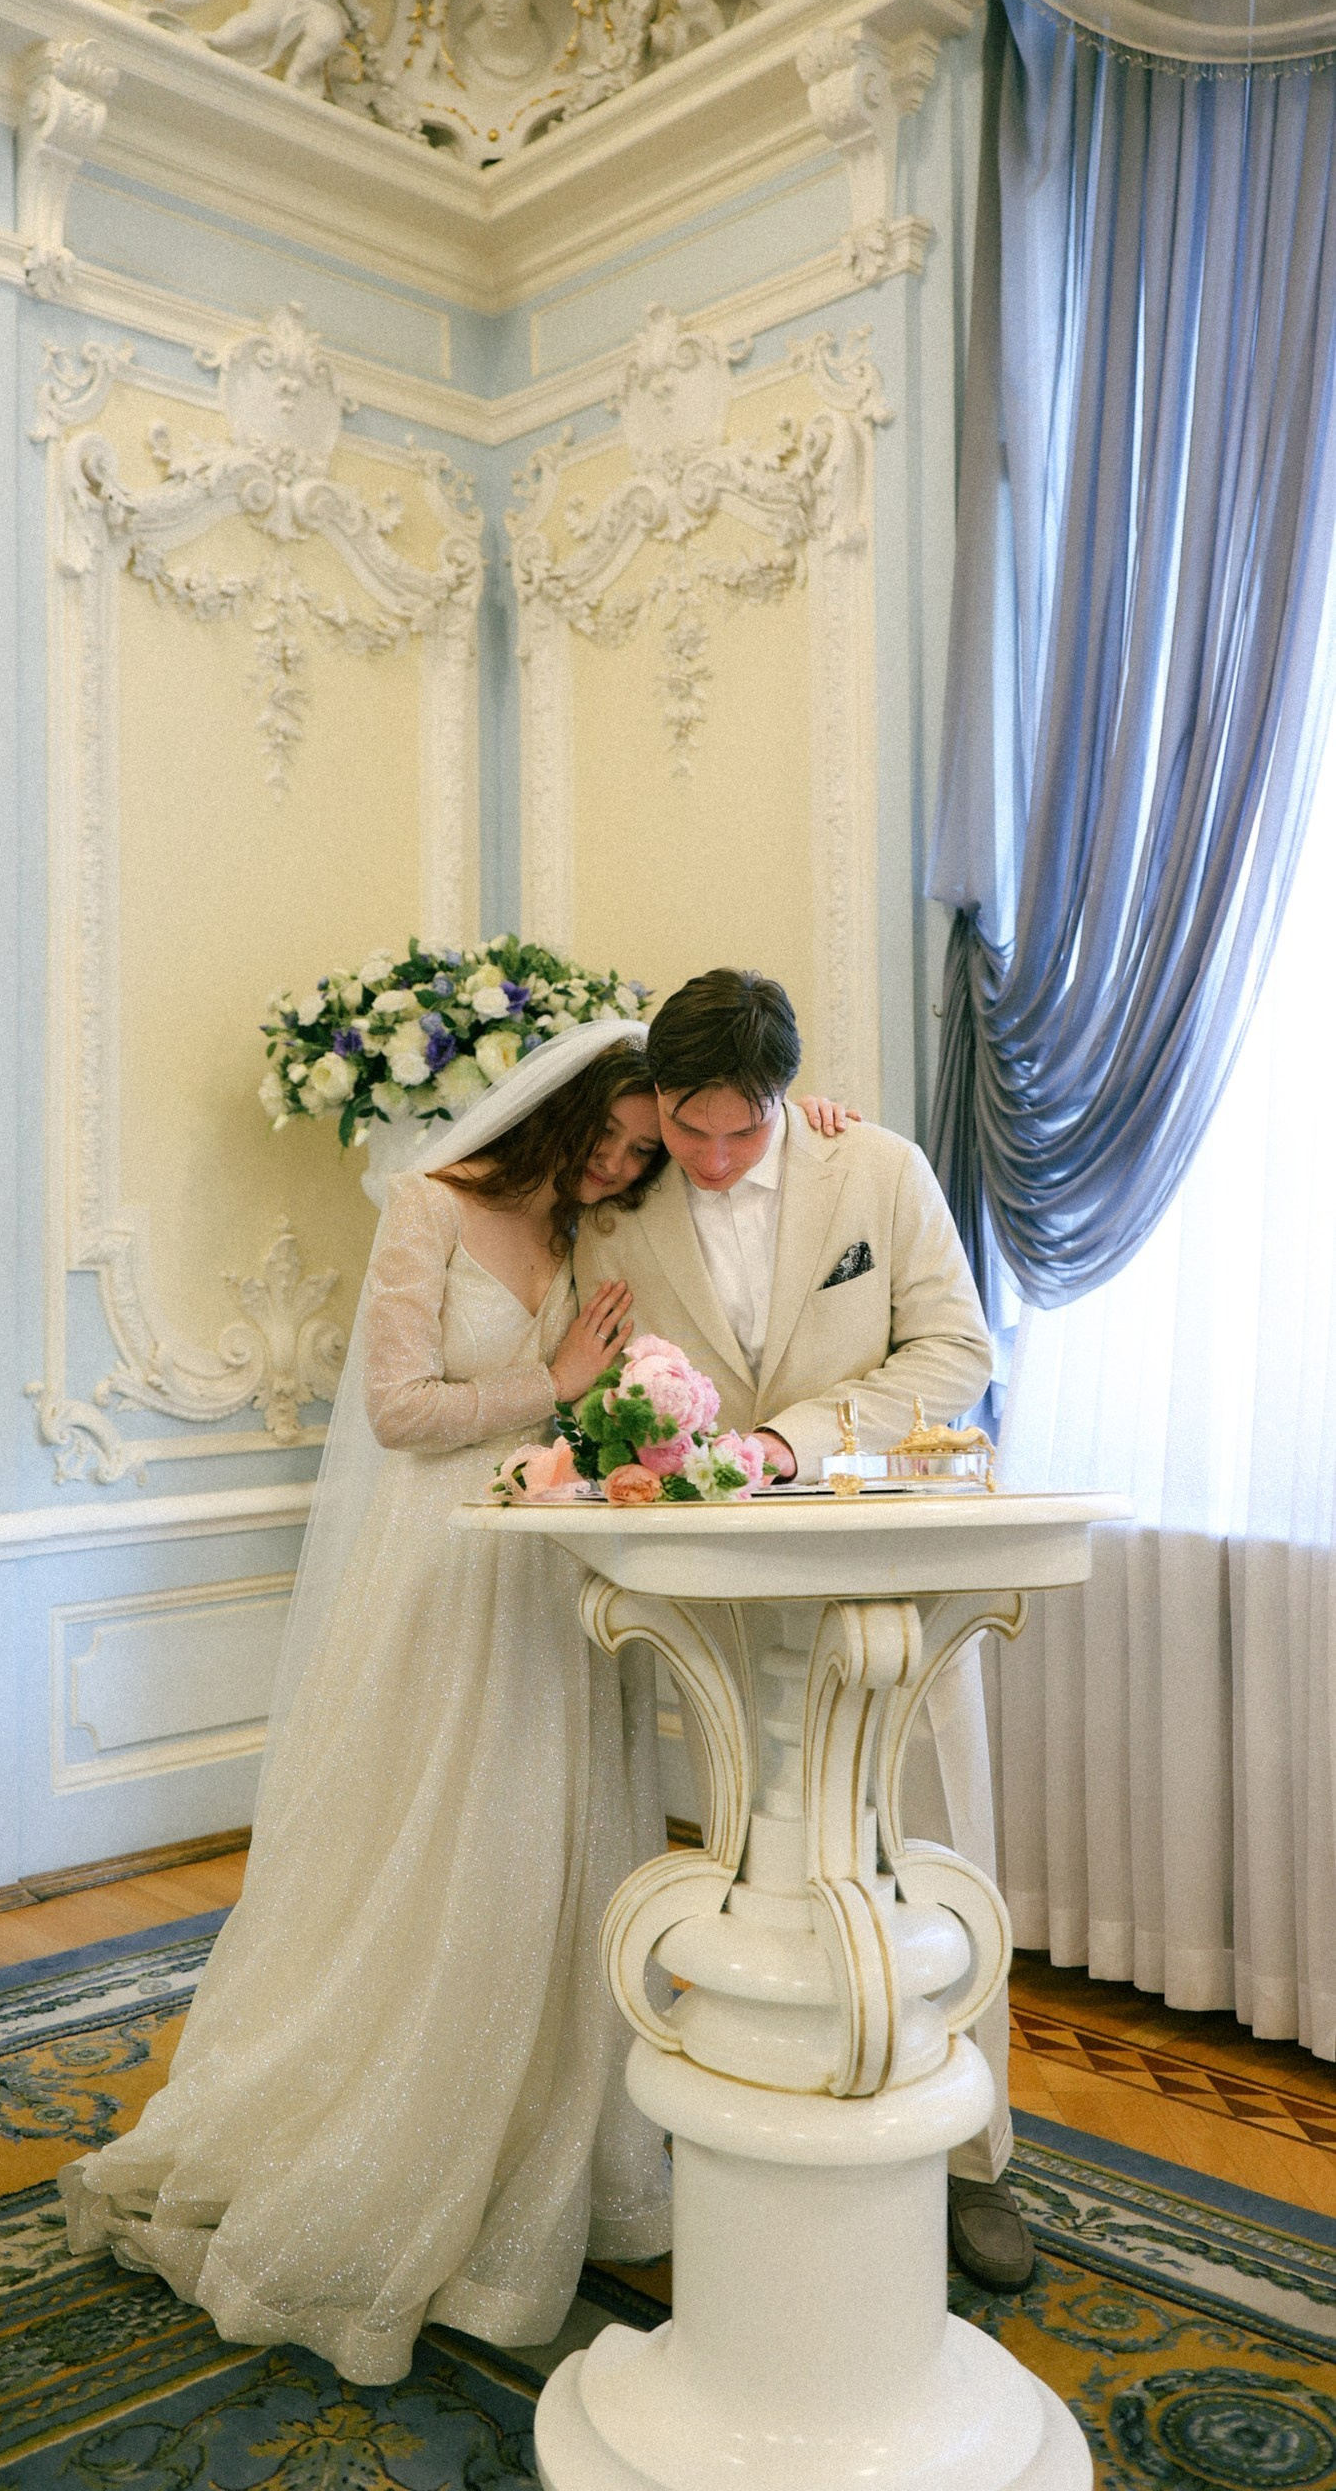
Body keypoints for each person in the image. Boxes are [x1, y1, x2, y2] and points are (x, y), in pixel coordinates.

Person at [61, 1018, 853, 2383]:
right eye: (604, 1143)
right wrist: (542, 1385)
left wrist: (814, 1127)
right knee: (444, 1851)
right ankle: (396, 2137)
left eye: (638, 1153)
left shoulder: (596, 1235)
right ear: (550, 1117)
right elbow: (393, 1411)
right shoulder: (429, 1208)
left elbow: (740, 1180)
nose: (617, 1170)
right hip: (440, 1573)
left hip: (553, 1572)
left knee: (554, 1859)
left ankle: (548, 2153)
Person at [573, 968, 1032, 2292]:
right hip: (721, 1592)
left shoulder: (874, 1169)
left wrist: (794, 1440)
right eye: (689, 1128)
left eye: (740, 1130)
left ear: (783, 1095)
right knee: (748, 1864)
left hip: (890, 1566)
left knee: (934, 1849)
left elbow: (954, 1352)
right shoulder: (624, 1208)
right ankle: (757, 2128)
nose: (713, 1160)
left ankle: (976, 2158)